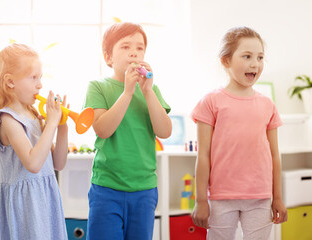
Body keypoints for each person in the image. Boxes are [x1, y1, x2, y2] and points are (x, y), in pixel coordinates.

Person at [191, 26, 288, 240]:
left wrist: (278, 197)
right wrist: (200, 201)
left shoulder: (267, 105)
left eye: (260, 57)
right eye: (247, 56)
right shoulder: (211, 102)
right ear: (226, 61)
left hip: (260, 197)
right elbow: (203, 155)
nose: (255, 63)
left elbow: (274, 156)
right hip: (221, 197)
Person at [84, 22, 172, 240]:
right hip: (106, 188)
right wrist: (127, 92)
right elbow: (103, 129)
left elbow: (165, 131)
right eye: (125, 47)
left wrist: (148, 92)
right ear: (108, 57)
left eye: (140, 48)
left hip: (144, 190)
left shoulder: (152, 90)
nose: (134, 52)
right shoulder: (98, 87)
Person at [0, 43, 69, 239]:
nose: (40, 84)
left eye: (40, 77)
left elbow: (58, 163)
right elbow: (33, 163)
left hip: (46, 198)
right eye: (33, 77)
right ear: (10, 82)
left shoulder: (33, 115)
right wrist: (50, 124)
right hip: (27, 205)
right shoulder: (8, 120)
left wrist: (62, 126)